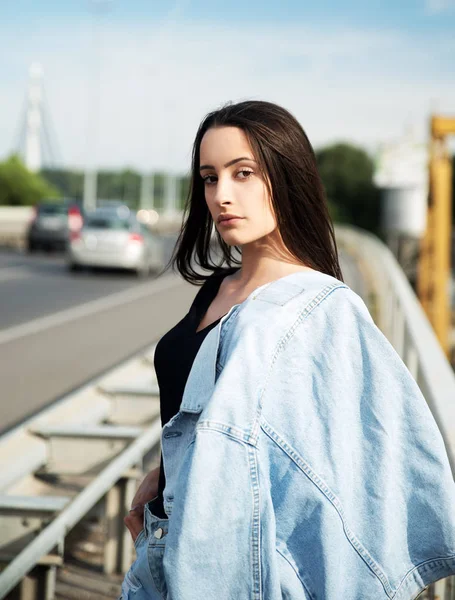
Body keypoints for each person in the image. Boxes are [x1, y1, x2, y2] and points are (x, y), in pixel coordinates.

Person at [120, 100, 455, 599]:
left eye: (243, 173)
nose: (222, 196)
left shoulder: (321, 307)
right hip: (164, 549)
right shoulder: (216, 287)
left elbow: (336, 463)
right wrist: (162, 477)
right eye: (210, 178)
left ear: (286, 176)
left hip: (238, 567)